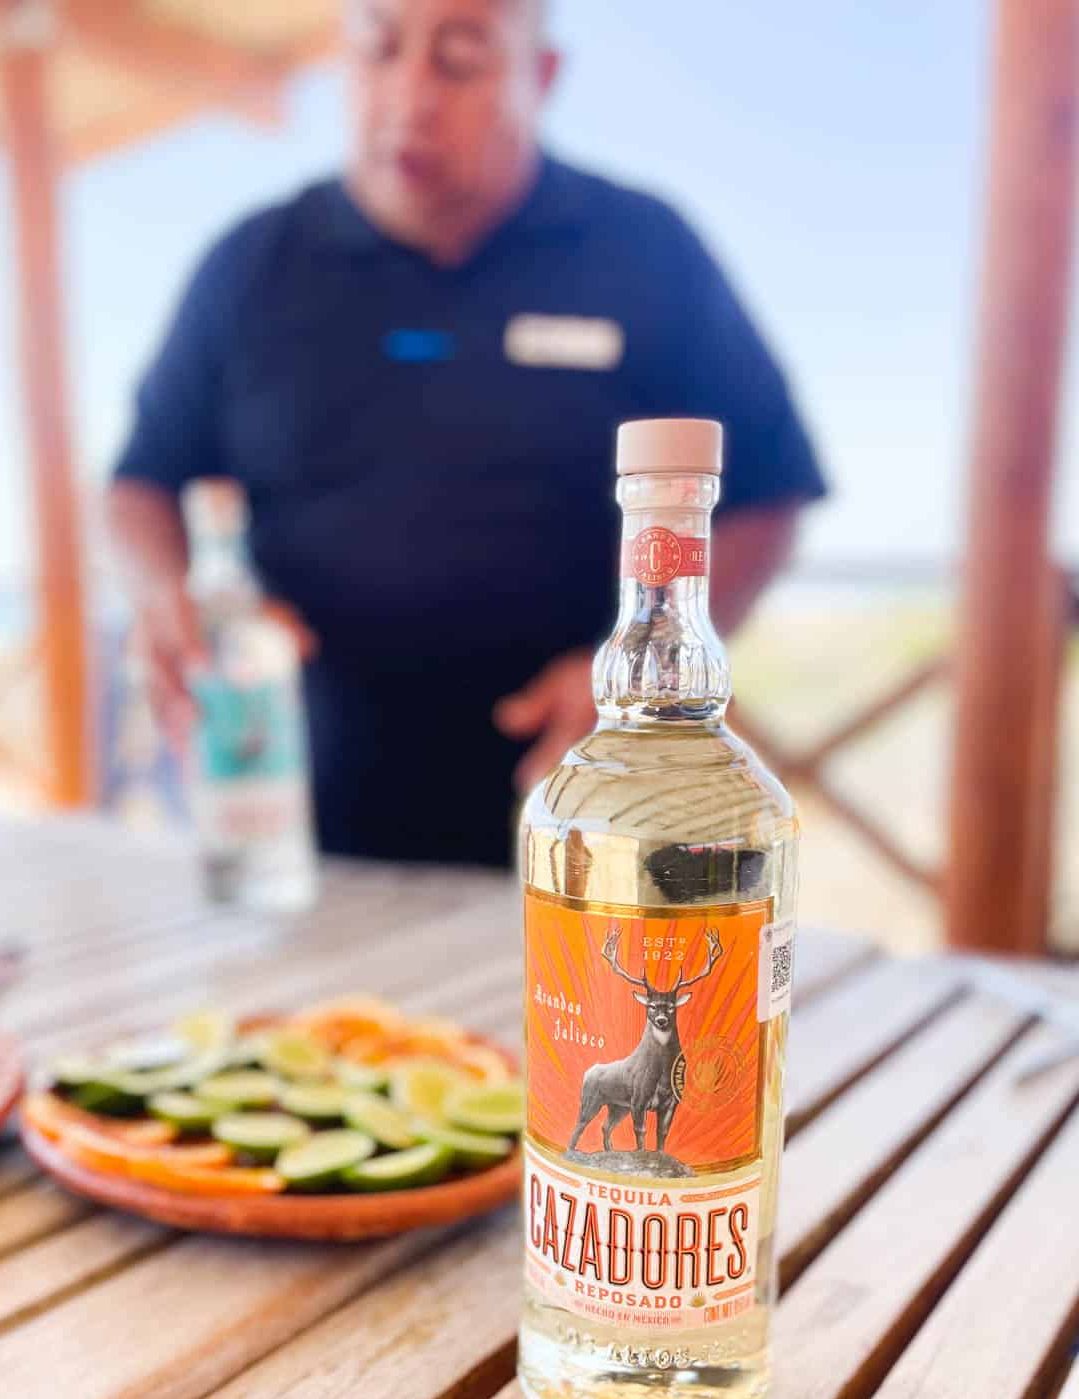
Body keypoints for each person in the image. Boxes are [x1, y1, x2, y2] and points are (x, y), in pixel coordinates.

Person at [109, 0, 826, 868]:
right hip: (302, 811)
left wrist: (638, 674)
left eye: (459, 59)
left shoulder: (648, 251)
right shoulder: (252, 265)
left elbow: (769, 487)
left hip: (590, 805)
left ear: (541, 76)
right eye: (377, 51)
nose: (409, 95)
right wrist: (168, 593)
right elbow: (144, 477)